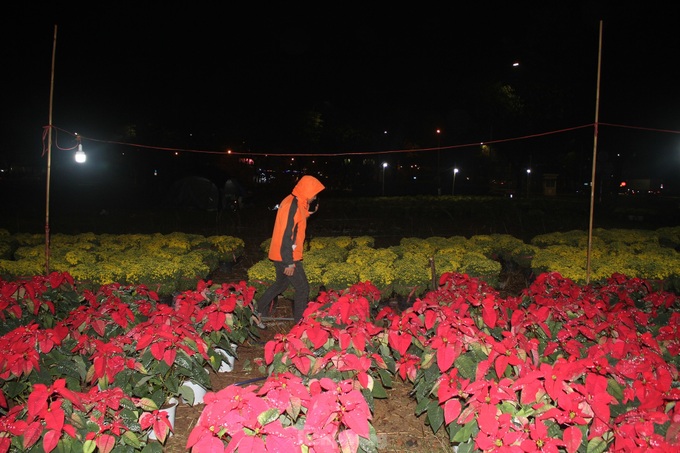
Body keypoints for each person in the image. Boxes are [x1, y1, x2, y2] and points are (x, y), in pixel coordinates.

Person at [256, 175, 325, 325]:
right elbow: (287, 235)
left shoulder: (294, 201)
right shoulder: (292, 205)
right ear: (307, 191)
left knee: (281, 284)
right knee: (303, 289)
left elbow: (294, 220)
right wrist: (289, 262)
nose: (315, 197)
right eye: (314, 193)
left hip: (281, 254)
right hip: (287, 256)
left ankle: (257, 310)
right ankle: (300, 326)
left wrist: (308, 213)